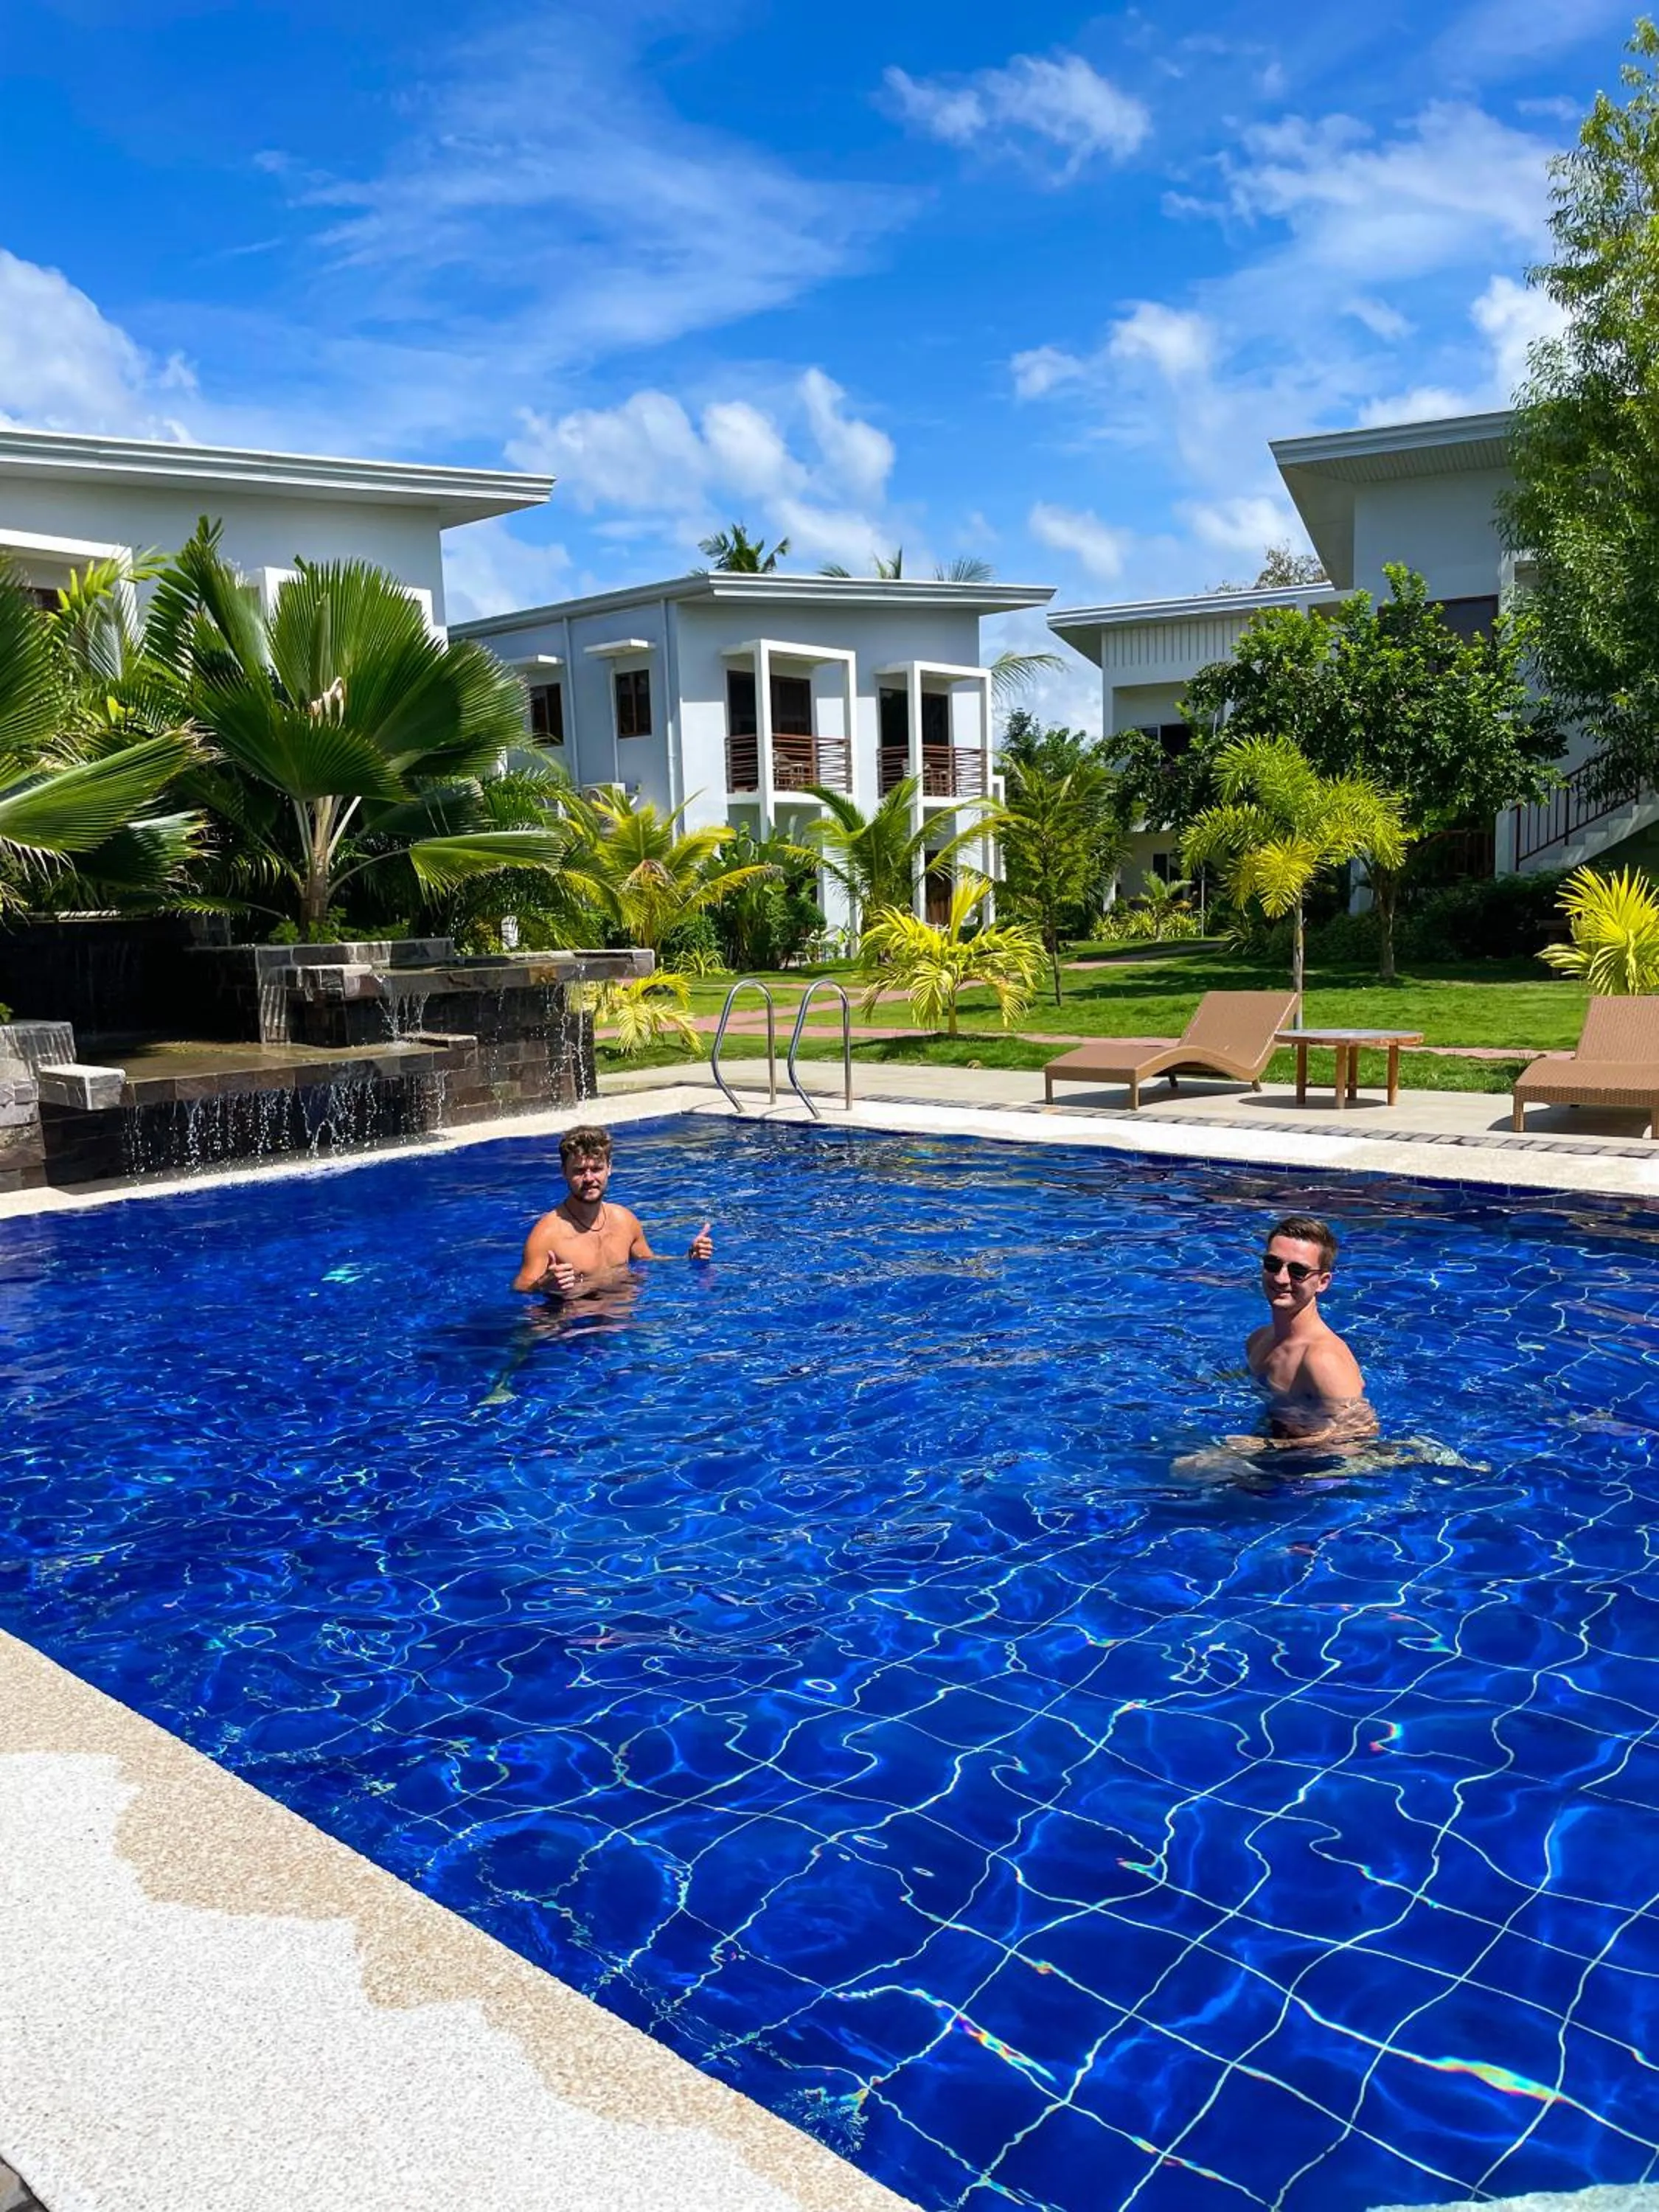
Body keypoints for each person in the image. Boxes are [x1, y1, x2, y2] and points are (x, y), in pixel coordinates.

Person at [513, 1124, 713, 1300]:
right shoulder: (548, 1234)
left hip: (624, 1319)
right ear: (564, 1172)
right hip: (576, 1328)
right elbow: (520, 1288)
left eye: (597, 1169)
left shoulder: (625, 1220)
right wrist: (544, 1285)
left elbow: (648, 1261)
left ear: (609, 1168)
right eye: (579, 1171)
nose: (589, 1178)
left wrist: (688, 1258)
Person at [1245, 1214, 1376, 1450]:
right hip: (1277, 1446)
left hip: (1315, 1474)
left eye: (1298, 1271)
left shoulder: (1322, 1360)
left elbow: (1359, 1439)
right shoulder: (1258, 1341)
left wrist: (1265, 1447)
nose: (1281, 1278)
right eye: (1273, 1264)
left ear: (1323, 1282)